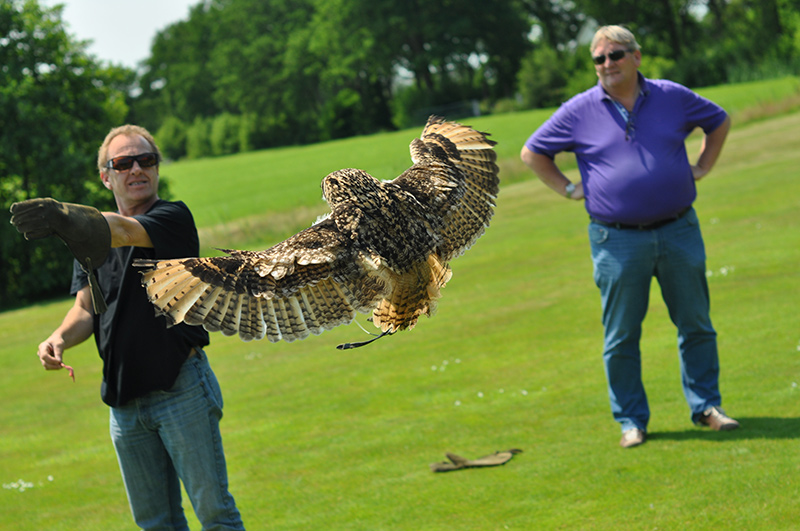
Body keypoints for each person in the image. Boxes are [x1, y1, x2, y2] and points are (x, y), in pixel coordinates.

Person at [10, 125, 246, 528]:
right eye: (123, 163)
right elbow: (86, 307)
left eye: (146, 160)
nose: (137, 169)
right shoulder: (86, 241)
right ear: (106, 175)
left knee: (215, 515)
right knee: (156, 524)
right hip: (123, 403)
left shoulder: (171, 219)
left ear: (156, 168)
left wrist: (67, 215)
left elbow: (121, 231)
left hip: (181, 388)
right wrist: (57, 338)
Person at [520, 25, 738, 448]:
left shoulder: (672, 95)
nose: (607, 65)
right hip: (616, 240)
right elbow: (532, 153)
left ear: (637, 57)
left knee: (695, 324)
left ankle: (707, 407)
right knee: (621, 335)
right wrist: (567, 188)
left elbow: (718, 121)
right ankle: (631, 421)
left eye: (615, 55)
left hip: (679, 229)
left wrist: (704, 165)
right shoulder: (578, 109)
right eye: (599, 59)